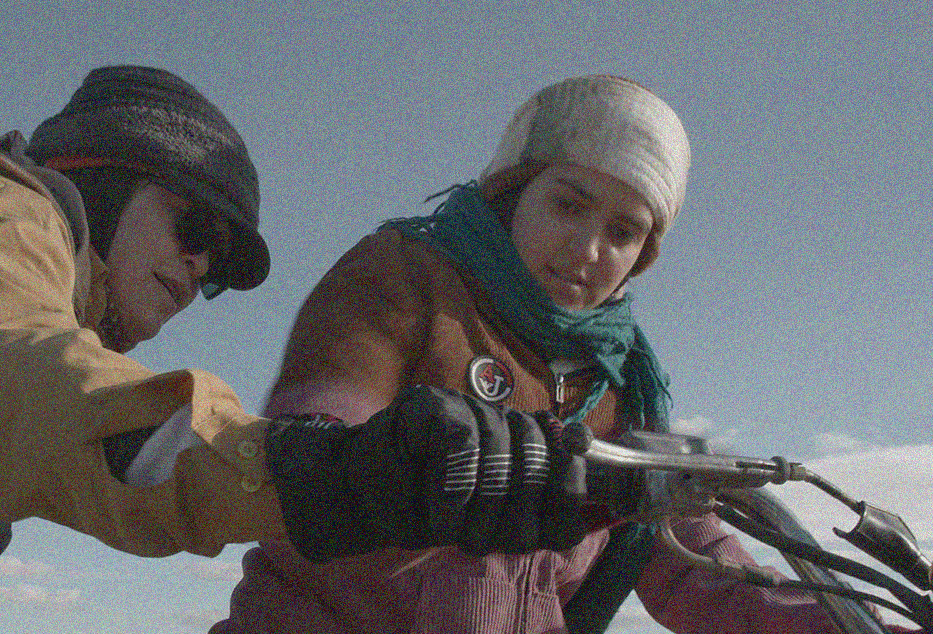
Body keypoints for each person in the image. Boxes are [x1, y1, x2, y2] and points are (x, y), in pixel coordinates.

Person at [0, 66, 601, 633]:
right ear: (97, 173)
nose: (196, 271)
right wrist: (314, 470)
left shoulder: (4, 399)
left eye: (216, 270)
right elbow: (15, 380)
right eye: (193, 230)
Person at [215, 75, 863, 634]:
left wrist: (840, 619)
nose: (587, 249)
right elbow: (319, 418)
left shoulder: (623, 384)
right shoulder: (405, 275)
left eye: (623, 231)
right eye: (569, 204)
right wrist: (383, 448)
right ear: (515, 187)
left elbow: (693, 564)